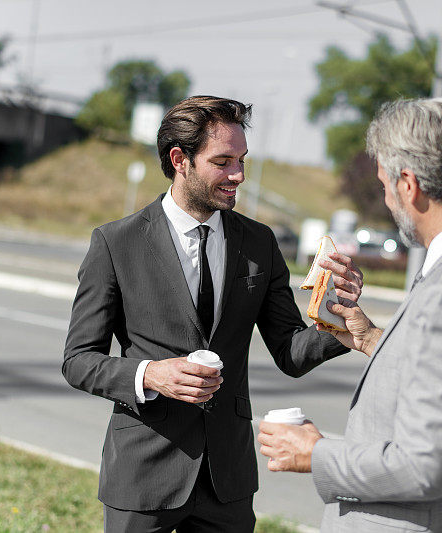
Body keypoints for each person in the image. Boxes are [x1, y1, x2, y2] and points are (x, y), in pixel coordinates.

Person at [62, 95, 363, 533]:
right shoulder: (115, 243)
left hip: (228, 481)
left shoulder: (260, 243)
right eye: (223, 161)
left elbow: (291, 352)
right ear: (180, 159)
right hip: (143, 476)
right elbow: (78, 360)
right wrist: (149, 375)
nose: (238, 175)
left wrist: (341, 315)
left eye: (241, 160)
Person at [258, 98, 442, 532]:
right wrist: (369, 338)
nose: (386, 198)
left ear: (409, 184)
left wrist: (313, 452)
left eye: (384, 185)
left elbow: (423, 467)